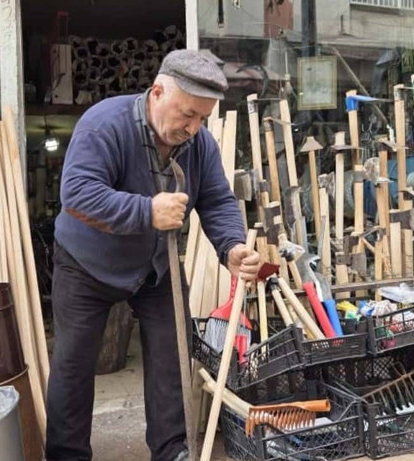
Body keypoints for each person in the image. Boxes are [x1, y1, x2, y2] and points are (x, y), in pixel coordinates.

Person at [47, 49, 261, 461]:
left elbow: (216, 200)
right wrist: (146, 210)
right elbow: (77, 194)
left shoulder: (197, 144)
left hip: (154, 267)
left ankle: (171, 451)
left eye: (203, 118)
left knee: (172, 358)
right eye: (188, 114)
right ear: (157, 91)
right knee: (74, 367)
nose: (194, 127)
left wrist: (231, 247)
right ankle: (66, 456)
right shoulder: (104, 124)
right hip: (86, 263)